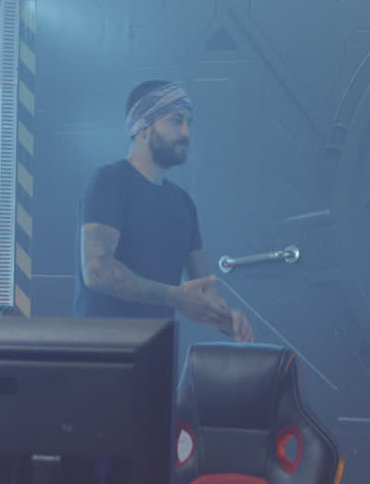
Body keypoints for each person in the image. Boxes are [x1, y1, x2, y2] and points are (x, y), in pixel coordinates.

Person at [75, 79, 253, 340]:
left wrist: (227, 320)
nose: (186, 132)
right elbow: (97, 272)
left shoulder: (182, 202)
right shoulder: (109, 182)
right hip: (100, 355)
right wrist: (176, 297)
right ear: (143, 126)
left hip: (155, 355)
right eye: (176, 120)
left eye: (189, 122)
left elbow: (202, 289)